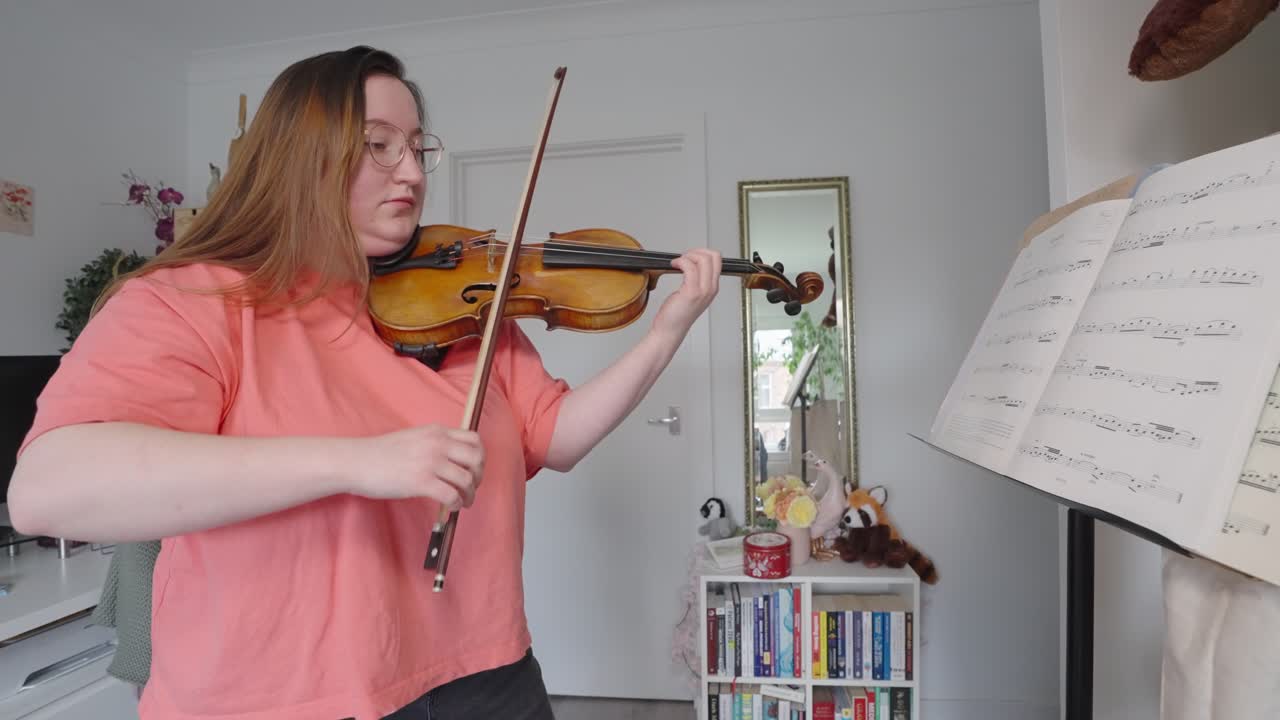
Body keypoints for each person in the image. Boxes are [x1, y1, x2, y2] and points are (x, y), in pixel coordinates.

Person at [6, 45, 720, 720]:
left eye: (417, 147)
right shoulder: (198, 300)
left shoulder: (472, 305)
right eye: (379, 145)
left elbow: (556, 437)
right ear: (303, 154)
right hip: (275, 697)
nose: (410, 171)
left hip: (487, 678)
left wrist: (667, 332)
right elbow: (50, 490)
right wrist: (360, 459)